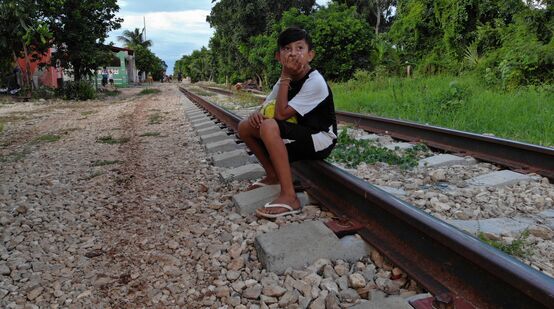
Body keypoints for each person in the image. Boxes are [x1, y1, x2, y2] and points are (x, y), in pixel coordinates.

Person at [238, 27, 337, 219]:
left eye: (300, 48)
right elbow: (265, 106)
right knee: (245, 126)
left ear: (310, 55)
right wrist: (256, 115)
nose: (293, 53)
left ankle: (290, 196)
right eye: (287, 49)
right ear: (279, 56)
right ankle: (273, 175)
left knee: (269, 126)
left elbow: (281, 115)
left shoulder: (315, 81)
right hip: (300, 135)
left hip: (321, 139)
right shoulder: (283, 81)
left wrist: (285, 76)